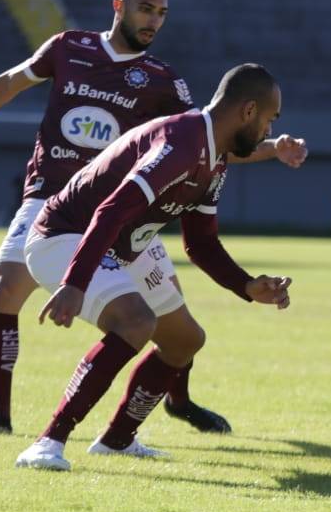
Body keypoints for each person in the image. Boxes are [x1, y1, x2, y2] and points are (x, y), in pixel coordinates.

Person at [0, 0, 307, 438]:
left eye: (162, 13)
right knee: (6, 290)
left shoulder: (163, 81)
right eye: (145, 8)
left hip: (127, 211)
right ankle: (0, 417)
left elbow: (207, 148)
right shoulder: (68, 48)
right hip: (54, 202)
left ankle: (177, 398)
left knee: (179, 327)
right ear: (119, 5)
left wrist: (270, 148)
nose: (154, 20)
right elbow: (9, 83)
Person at [15, 64, 291, 471]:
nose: (269, 130)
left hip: (124, 242)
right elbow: (110, 210)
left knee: (185, 340)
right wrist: (75, 283)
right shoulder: (181, 142)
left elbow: (200, 243)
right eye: (270, 119)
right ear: (249, 111)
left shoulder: (215, 158)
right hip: (65, 237)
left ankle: (117, 440)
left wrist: (247, 286)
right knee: (136, 322)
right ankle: (47, 442)